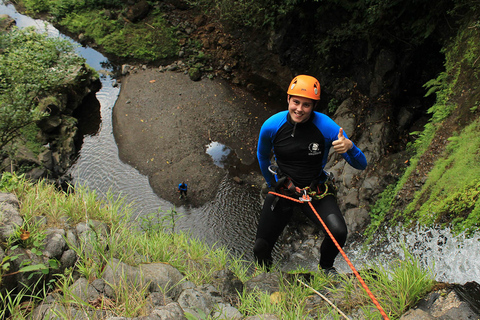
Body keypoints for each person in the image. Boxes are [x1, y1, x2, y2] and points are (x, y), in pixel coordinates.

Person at [254, 75, 367, 276]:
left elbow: (361, 164)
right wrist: (272, 184)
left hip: (314, 191)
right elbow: (262, 157)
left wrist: (349, 147)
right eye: (296, 102)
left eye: (306, 105)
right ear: (288, 99)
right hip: (285, 190)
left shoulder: (326, 127)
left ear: (314, 105)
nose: (299, 109)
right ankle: (265, 278)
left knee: (338, 233)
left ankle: (326, 269)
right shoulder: (272, 126)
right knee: (260, 248)